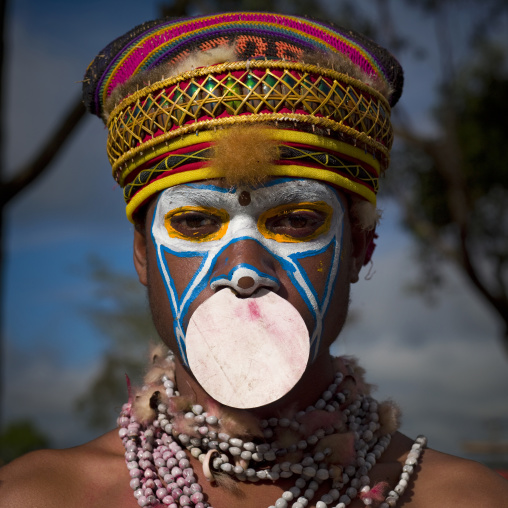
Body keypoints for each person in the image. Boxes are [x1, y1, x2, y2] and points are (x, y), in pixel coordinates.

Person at [1, 12, 507, 508]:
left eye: (295, 220)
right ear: (142, 254)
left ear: (359, 249)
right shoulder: (37, 497)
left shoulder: (468, 499)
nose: (244, 270)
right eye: (196, 222)